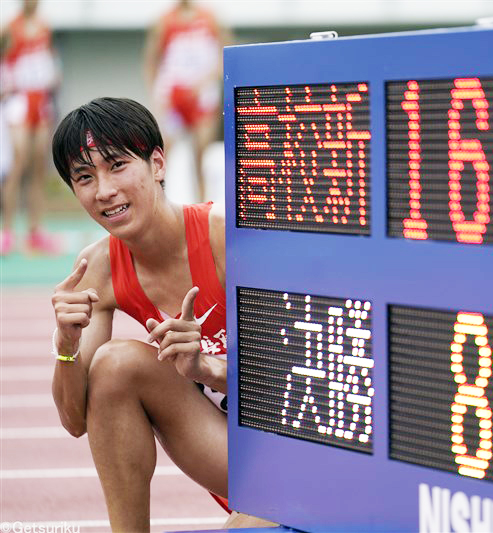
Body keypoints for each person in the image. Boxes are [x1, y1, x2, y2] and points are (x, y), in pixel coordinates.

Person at [49, 97, 274, 531]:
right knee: (115, 365)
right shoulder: (97, 268)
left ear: (157, 163)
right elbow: (76, 420)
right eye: (84, 177)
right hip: (227, 453)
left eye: (117, 165)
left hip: (304, 450)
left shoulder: (226, 238)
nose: (104, 190)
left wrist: (209, 368)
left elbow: (308, 384)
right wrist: (66, 346)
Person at [143, 0, 231, 203]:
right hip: (174, 94)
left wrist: (207, 81)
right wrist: (157, 95)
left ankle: (203, 205)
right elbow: (151, 60)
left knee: (201, 153)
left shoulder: (210, 17)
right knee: (164, 154)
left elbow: (223, 54)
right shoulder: (164, 21)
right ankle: (158, 204)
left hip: (201, 96)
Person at [0, 0, 60, 255]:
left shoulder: (45, 28)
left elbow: (50, 60)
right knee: (17, 165)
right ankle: (7, 231)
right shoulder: (9, 29)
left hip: (40, 100)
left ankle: (35, 231)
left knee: (38, 167)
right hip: (18, 100)